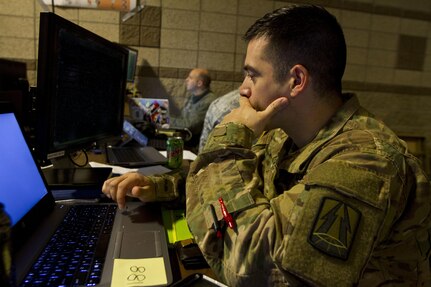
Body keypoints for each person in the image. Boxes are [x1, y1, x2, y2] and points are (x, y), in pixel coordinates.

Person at [101, 4, 431, 286]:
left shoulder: (366, 163)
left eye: (252, 75)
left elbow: (253, 269)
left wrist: (228, 140)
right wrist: (161, 187)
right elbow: (237, 185)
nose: (243, 89)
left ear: (296, 80)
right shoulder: (281, 133)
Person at [170, 68, 218, 151]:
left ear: (199, 83)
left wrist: (166, 120)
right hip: (186, 141)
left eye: (190, 78)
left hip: (194, 147)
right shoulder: (193, 96)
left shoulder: (208, 101)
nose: (186, 80)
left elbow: (189, 125)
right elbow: (182, 118)